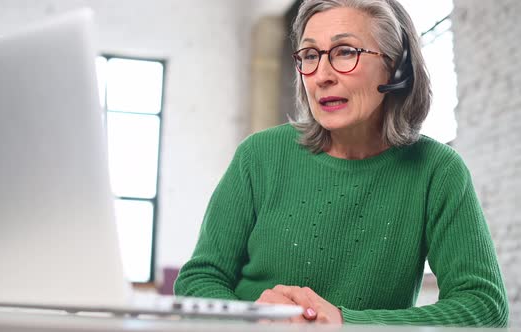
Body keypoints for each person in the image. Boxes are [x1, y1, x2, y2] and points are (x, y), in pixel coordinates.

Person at [173, 0, 509, 326]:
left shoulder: (437, 170)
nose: (321, 75)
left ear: (397, 66)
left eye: (345, 51)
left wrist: (344, 321)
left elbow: (484, 307)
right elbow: (198, 281)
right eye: (309, 55)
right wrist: (252, 319)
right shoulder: (258, 156)